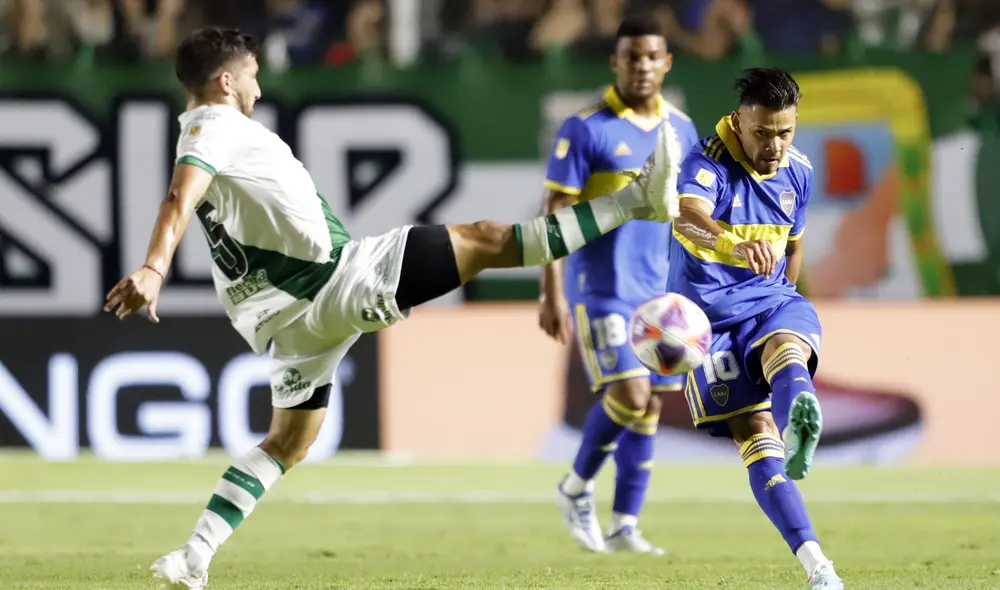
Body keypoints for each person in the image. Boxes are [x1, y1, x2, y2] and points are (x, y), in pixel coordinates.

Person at [101, 27, 684, 589]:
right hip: (333, 282)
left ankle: (193, 555)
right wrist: (154, 268)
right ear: (226, 81)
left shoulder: (204, 130)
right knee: (485, 239)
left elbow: (192, 194)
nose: (258, 89)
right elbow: (180, 194)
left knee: (286, 444)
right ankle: (636, 200)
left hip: (287, 325)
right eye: (252, 77)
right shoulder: (216, 125)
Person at [668, 67, 843, 589]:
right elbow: (686, 216)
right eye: (763, 132)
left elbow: (793, 245)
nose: (774, 145)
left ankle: (797, 421)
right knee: (753, 434)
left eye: (784, 132)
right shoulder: (707, 163)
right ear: (740, 121)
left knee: (785, 348)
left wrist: (785, 294)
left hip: (771, 302)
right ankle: (817, 564)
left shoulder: (799, 171)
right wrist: (733, 245)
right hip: (709, 322)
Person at [539, 17, 698, 555]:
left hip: (660, 294)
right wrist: (551, 290)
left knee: (650, 406)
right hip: (600, 287)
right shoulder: (586, 128)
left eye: (652, 57)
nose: (642, 67)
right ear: (616, 62)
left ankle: (625, 523)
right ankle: (576, 486)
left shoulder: (683, 129)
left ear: (667, 62)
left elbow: (689, 214)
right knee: (628, 395)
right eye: (632, 57)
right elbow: (553, 214)